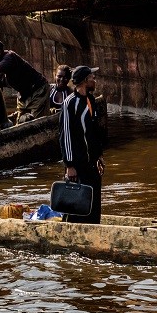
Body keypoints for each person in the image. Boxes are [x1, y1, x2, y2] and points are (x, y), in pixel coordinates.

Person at [60, 65, 105, 224]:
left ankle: (94, 228)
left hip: (91, 163)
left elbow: (93, 133)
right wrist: (69, 165)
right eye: (92, 77)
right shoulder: (70, 103)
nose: (95, 80)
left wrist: (99, 155)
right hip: (77, 165)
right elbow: (65, 136)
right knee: (77, 206)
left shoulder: (91, 100)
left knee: (93, 203)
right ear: (85, 81)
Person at [0, 39, 50, 122]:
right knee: (20, 120)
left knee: (37, 121)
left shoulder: (9, 56)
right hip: (23, 94)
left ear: (0, 52)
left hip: (38, 90)